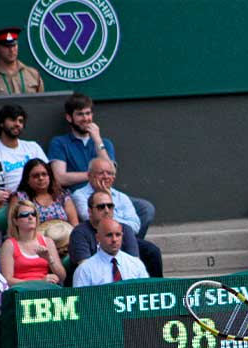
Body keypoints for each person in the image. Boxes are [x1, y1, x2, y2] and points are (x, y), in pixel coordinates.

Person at [48, 92, 155, 238]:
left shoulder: (104, 143)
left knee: (145, 209)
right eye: (80, 114)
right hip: (79, 196)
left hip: (108, 194)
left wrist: (97, 140)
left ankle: (128, 246)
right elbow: (60, 177)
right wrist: (93, 175)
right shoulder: (59, 142)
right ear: (69, 117)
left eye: (88, 113)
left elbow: (111, 171)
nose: (86, 118)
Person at [71, 158, 163, 277]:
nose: (105, 176)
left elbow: (135, 225)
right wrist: (103, 197)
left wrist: (109, 200)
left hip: (121, 236)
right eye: (101, 173)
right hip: (91, 237)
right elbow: (87, 216)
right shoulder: (79, 194)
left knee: (152, 251)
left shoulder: (121, 197)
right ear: (89, 175)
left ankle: (158, 289)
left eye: (109, 173)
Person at [69, 190, 145, 273]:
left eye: (110, 206)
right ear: (90, 211)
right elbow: (86, 269)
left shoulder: (125, 229)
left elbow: (135, 264)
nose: (107, 210)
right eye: (101, 207)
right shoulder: (79, 233)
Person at [0, 199, 66, 286]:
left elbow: (62, 277)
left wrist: (50, 260)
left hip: (46, 289)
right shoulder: (9, 245)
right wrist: (39, 282)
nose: (30, 217)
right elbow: (7, 280)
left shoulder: (47, 242)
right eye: (24, 215)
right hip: (21, 292)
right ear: (15, 221)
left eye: (33, 214)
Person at [0, 104, 48, 191]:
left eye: (20, 121)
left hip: (38, 195)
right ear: (1, 123)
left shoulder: (33, 147)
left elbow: (49, 174)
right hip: (11, 200)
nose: (17, 124)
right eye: (13, 120)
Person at [73, 218, 149, 287]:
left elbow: (147, 292)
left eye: (118, 235)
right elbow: (80, 300)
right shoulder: (85, 270)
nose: (114, 239)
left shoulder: (136, 264)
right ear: (98, 238)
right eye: (109, 235)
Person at [12, 158, 78, 225]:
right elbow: (12, 228)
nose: (41, 178)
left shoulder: (62, 195)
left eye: (44, 174)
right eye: (35, 176)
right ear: (27, 180)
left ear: (50, 176)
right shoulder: (19, 198)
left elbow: (75, 225)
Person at [0, 27, 44, 95]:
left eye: (14, 45)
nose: (11, 50)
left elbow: (42, 102)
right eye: (6, 46)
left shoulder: (33, 74)